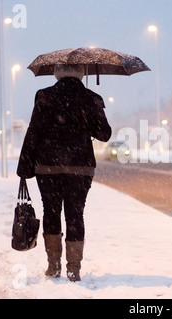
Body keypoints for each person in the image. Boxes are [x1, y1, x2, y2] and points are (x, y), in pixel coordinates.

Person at [17, 64, 112, 281]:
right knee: (75, 214)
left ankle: (53, 266)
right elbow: (104, 134)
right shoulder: (91, 98)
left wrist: (25, 166)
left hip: (48, 167)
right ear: (81, 74)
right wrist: (88, 114)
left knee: (51, 212)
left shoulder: (44, 96)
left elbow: (34, 132)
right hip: (80, 167)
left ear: (57, 74)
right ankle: (73, 269)